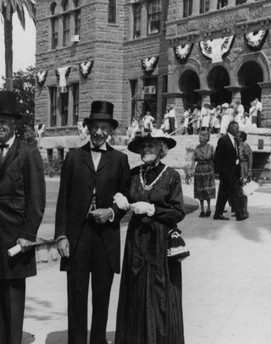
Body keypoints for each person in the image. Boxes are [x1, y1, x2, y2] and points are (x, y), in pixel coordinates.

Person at [55, 100, 131, 344]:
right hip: (78, 236)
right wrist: (61, 235)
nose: (99, 133)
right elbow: (62, 201)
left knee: (102, 295)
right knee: (76, 295)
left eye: (104, 128)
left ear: (111, 130)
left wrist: (111, 213)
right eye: (95, 127)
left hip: (105, 236)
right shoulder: (74, 157)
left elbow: (126, 197)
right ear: (87, 128)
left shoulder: (120, 159)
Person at [0, 91, 46, 344]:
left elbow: (36, 199)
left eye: (4, 121)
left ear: (14, 122)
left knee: (14, 296)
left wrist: (28, 234)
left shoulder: (28, 152)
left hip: (17, 236)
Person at [115, 130, 185, 344]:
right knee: (136, 289)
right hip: (136, 240)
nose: (146, 150)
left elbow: (178, 211)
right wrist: (119, 196)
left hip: (161, 241)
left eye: (151, 146)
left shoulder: (171, 176)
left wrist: (153, 210)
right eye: (143, 146)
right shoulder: (135, 174)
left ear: (161, 150)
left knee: (159, 291)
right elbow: (124, 195)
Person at [213, 121, 247, 221]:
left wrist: (238, 172)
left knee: (223, 194)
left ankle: (218, 213)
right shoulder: (223, 140)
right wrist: (217, 171)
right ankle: (239, 214)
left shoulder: (235, 141)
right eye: (236, 128)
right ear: (231, 128)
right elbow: (218, 157)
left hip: (233, 172)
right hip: (226, 172)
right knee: (234, 193)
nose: (238, 130)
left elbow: (236, 158)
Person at [191, 130, 216, 217]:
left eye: (201, 137)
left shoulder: (211, 147)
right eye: (199, 137)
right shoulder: (197, 148)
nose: (200, 139)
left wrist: (215, 170)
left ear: (206, 138)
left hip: (208, 170)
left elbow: (214, 159)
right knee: (200, 189)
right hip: (199, 171)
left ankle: (208, 208)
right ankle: (202, 209)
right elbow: (193, 159)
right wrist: (191, 169)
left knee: (207, 189)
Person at [238, 131, 253, 217]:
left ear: (241, 138)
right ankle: (239, 209)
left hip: (244, 167)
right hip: (238, 167)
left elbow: (250, 157)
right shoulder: (238, 145)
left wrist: (249, 170)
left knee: (244, 190)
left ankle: (245, 210)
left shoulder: (245, 145)